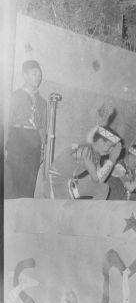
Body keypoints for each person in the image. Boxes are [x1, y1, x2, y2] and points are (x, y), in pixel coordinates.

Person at [5, 60, 48, 198]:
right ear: (25, 75)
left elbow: (42, 126)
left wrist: (42, 149)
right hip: (17, 137)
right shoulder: (15, 96)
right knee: (13, 182)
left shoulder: (42, 102)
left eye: (39, 74)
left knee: (29, 184)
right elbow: (7, 121)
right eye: (34, 73)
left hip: (34, 141)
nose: (38, 77)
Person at [48, 126, 122, 200]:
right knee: (102, 189)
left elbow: (100, 180)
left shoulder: (96, 154)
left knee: (102, 188)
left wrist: (112, 161)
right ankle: (91, 210)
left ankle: (90, 210)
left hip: (67, 183)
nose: (110, 151)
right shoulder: (86, 149)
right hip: (57, 184)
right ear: (100, 141)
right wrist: (112, 160)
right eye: (109, 146)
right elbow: (97, 179)